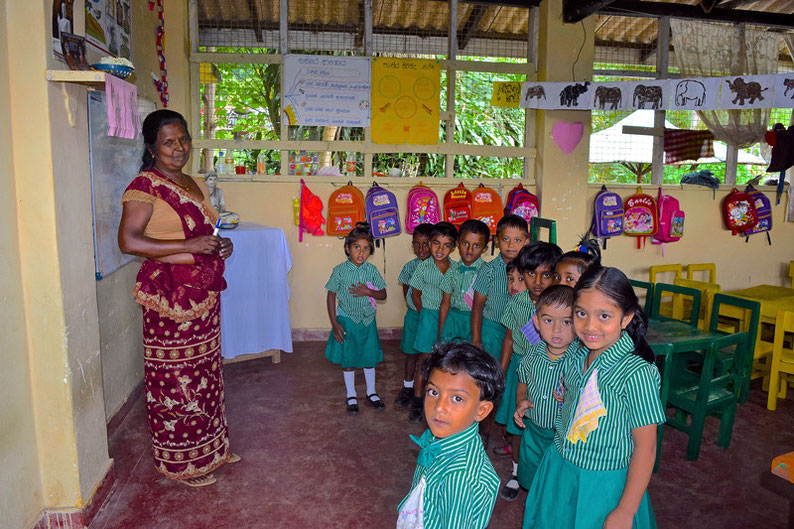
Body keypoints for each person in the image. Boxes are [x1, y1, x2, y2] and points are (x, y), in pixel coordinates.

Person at [118, 109, 237, 488]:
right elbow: (128, 241)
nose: (179, 148)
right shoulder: (145, 185)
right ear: (152, 147)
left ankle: (212, 448)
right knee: (176, 378)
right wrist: (191, 244)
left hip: (201, 288)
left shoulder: (190, 180)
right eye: (169, 142)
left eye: (183, 139)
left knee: (205, 373)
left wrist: (219, 246)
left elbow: (206, 232)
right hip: (168, 295)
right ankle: (182, 461)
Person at [522, 266, 665, 529]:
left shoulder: (636, 374)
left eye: (604, 316)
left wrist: (625, 510)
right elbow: (572, 396)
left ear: (626, 318)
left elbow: (647, 448)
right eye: (580, 314)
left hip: (604, 484)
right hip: (561, 466)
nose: (589, 326)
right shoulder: (576, 354)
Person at [397, 342, 504, 529]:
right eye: (433, 392)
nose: (439, 407)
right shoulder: (441, 435)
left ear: (482, 410)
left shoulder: (460, 477)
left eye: (457, 398)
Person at [495, 242, 561, 499]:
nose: (537, 281)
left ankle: (550, 473)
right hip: (520, 369)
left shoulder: (561, 305)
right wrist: (501, 372)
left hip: (555, 372)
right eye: (530, 274)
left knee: (550, 424)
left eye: (546, 274)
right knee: (518, 424)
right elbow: (509, 339)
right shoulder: (517, 302)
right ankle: (515, 472)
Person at [513, 285, 578, 491]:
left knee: (557, 481)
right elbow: (522, 382)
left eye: (566, 322)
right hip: (533, 429)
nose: (557, 330)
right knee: (531, 475)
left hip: (563, 436)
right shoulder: (531, 355)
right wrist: (521, 402)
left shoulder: (579, 360)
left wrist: (569, 396)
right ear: (536, 322)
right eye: (548, 320)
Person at [324, 222, 388, 415]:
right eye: (356, 247)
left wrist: (368, 291)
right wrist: (334, 323)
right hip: (347, 320)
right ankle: (351, 394)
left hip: (367, 321)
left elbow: (383, 294)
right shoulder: (339, 271)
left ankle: (371, 392)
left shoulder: (372, 271)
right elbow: (331, 295)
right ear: (347, 248)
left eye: (366, 248)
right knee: (349, 360)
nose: (361, 253)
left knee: (369, 358)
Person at [407, 222, 459, 422]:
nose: (440, 249)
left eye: (446, 245)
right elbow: (416, 294)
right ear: (429, 244)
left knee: (445, 361)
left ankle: (444, 399)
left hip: (450, 317)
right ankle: (418, 401)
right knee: (425, 360)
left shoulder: (456, 269)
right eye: (436, 243)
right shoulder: (423, 268)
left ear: (453, 248)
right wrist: (423, 316)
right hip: (428, 316)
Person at [395, 223, 434, 409]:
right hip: (413, 316)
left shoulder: (439, 267)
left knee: (427, 356)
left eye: (426, 244)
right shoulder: (410, 266)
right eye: (417, 244)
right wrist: (411, 306)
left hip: (431, 317)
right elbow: (405, 287)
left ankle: (427, 390)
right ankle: (407, 387)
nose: (421, 249)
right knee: (411, 353)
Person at [438, 219, 490, 343]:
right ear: (457, 243)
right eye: (465, 243)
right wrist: (440, 335)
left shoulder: (487, 272)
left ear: (484, 249)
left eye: (476, 245)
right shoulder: (451, 270)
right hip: (453, 321)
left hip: (476, 323)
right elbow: (445, 304)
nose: (470, 250)